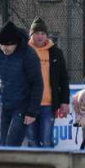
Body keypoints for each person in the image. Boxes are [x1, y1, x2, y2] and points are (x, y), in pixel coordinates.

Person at [0, 21, 43, 147]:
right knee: (4, 144)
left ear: (16, 43)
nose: (5, 48)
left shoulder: (28, 54)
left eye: (9, 45)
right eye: (2, 45)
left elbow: (37, 84)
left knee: (11, 144)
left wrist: (32, 112)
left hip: (22, 107)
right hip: (6, 106)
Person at [26, 17, 71, 148]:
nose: (40, 36)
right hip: (29, 106)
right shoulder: (24, 52)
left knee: (47, 141)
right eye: (37, 33)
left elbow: (63, 78)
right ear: (31, 35)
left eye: (43, 33)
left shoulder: (56, 52)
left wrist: (64, 101)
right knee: (32, 142)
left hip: (48, 105)